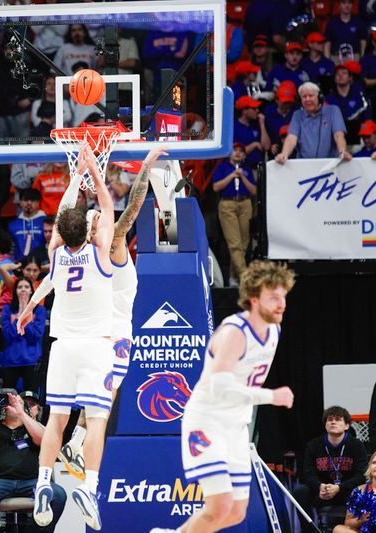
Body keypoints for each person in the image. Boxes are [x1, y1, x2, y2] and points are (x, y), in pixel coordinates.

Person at [150, 261, 295, 533]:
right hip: (208, 422)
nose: (281, 304)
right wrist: (271, 396)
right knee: (218, 505)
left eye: (283, 297)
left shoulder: (274, 329)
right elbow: (220, 389)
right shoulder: (233, 333)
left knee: (236, 513)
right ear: (254, 299)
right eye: (274, 298)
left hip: (236, 426)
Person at [16, 145, 116, 530]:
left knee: (57, 418)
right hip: (95, 346)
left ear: (61, 232)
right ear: (91, 232)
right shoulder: (99, 253)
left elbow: (60, 221)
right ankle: (88, 488)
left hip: (62, 348)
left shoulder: (56, 256)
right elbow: (107, 209)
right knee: (95, 420)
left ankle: (43, 482)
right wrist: (96, 172)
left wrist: (77, 176)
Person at [0, 391, 66, 532]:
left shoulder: (33, 427)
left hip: (31, 481)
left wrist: (22, 414)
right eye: (10, 403)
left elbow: (43, 440)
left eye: (18, 402)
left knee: (58, 495)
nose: (13, 405)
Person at [293, 406, 368, 524]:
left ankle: (355, 528)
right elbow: (308, 473)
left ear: (347, 425)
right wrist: (319, 486)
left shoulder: (356, 445)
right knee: (301, 491)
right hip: (322, 492)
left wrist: (339, 488)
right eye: (330, 419)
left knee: (364, 492)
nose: (333, 422)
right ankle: (310, 530)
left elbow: (361, 476)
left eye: (338, 419)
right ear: (325, 424)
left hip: (346, 492)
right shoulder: (313, 445)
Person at [212, 142, 257, 287]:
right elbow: (216, 187)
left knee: (244, 243)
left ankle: (233, 277)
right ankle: (245, 277)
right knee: (234, 243)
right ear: (229, 153)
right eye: (235, 150)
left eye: (241, 151)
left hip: (245, 204)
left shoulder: (247, 170)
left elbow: (254, 191)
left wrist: (242, 177)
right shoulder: (222, 168)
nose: (238, 153)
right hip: (228, 205)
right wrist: (232, 176)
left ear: (244, 155)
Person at [276, 82, 351, 163]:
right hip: (305, 166)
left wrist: (342, 151)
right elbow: (291, 138)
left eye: (311, 95)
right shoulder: (297, 115)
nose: (307, 99)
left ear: (319, 97)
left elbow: (338, 135)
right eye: (304, 97)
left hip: (330, 164)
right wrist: (284, 154)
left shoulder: (333, 111)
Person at [0, 277, 45, 392]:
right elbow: (8, 336)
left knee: (31, 401)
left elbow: (35, 336)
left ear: (31, 291)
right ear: (15, 291)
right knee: (9, 401)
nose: (23, 290)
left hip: (32, 362)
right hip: (11, 362)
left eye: (26, 287)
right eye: (20, 287)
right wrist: (20, 315)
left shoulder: (39, 310)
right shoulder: (7, 310)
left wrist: (25, 315)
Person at [8, 188, 47, 260]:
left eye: (32, 200)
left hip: (42, 264)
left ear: (38, 202)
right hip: (18, 264)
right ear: (20, 202)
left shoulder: (46, 222)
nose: (29, 203)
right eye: (25, 200)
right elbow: (10, 248)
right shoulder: (13, 224)